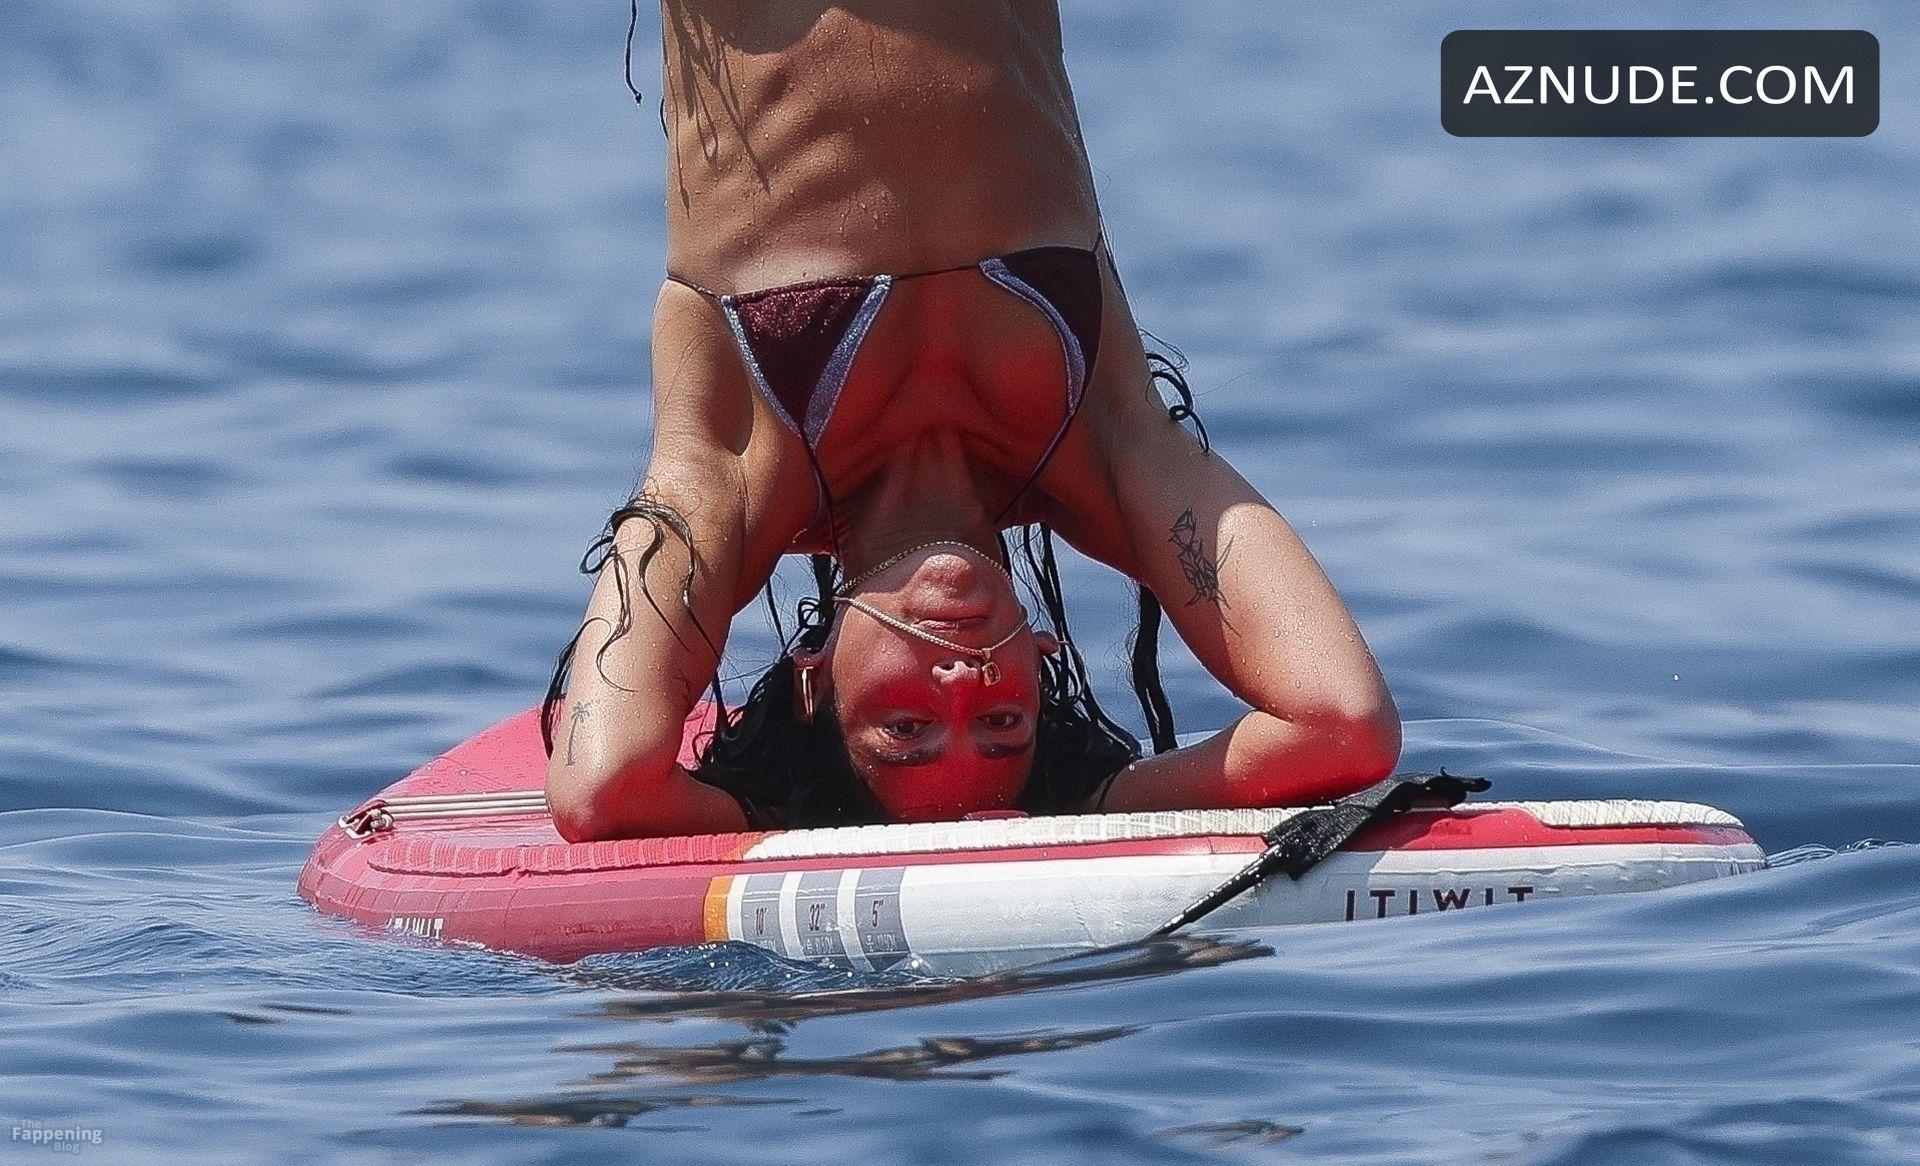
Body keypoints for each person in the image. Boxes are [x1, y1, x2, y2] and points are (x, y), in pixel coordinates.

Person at [542, 0, 1400, 841]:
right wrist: (1088, 812)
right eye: (1002, 722)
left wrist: (787, 825)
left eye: (906, 729)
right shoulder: (1095, 445)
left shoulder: (738, 476)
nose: (960, 679)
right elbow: (1342, 724)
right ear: (1044, 658)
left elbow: (603, 791)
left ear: (816, 683)